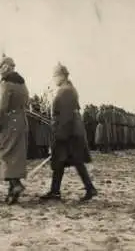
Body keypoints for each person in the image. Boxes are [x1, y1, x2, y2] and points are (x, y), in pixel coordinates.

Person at [40, 63, 98, 202]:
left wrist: (59, 135)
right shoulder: (69, 89)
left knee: (68, 161)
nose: (54, 79)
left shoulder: (65, 91)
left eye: (55, 76)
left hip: (67, 133)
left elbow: (65, 116)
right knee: (66, 162)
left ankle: (85, 189)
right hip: (71, 132)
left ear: (62, 76)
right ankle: (59, 190)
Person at [0, 54, 29, 205]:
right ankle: (12, 191)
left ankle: (16, 185)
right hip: (20, 121)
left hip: (7, 123)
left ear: (4, 68)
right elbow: (26, 101)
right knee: (16, 155)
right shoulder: (22, 83)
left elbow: (1, 106)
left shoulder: (5, 84)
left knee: (5, 153)